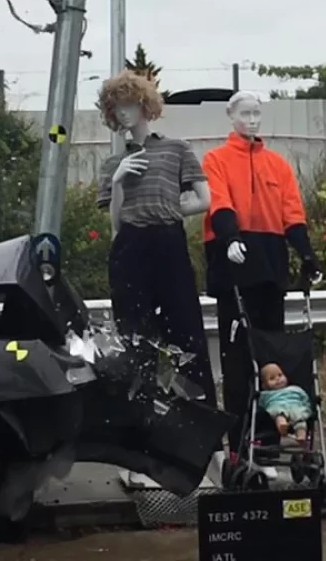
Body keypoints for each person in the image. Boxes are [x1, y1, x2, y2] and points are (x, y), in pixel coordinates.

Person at [202, 90, 320, 445]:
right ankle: (239, 439)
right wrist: (230, 238)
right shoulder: (216, 159)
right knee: (238, 358)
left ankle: (269, 434)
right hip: (235, 268)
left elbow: (292, 215)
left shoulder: (277, 165)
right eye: (245, 114)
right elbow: (218, 202)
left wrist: (307, 255)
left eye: (257, 114)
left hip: (270, 266)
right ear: (231, 116)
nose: (252, 120)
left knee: (273, 355)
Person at [95, 70, 217, 404]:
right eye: (117, 107)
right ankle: (141, 418)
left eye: (130, 104)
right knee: (134, 335)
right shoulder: (112, 164)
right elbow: (116, 225)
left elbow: (205, 199)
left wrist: (171, 208)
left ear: (144, 104)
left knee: (186, 331)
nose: (124, 113)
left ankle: (199, 418)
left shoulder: (176, 150)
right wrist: (119, 182)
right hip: (130, 247)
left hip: (168, 243)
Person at [258, 362, 312, 444]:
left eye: (280, 375)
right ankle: (282, 427)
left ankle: (301, 436)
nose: (278, 379)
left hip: (295, 406)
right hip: (278, 405)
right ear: (264, 385)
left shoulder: (294, 389)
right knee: (279, 414)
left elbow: (304, 398)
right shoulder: (267, 394)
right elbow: (260, 402)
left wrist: (307, 407)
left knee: (300, 418)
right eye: (272, 378)